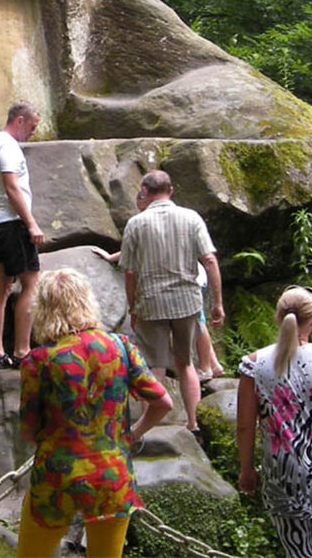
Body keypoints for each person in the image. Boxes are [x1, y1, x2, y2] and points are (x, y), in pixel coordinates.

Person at [17, 268, 173, 558]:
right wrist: (132, 434)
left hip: (56, 480)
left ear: (43, 308)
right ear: (87, 301)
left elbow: (28, 430)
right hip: (112, 476)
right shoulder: (121, 347)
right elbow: (163, 402)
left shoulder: (38, 361)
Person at [237, 285, 312, 558]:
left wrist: (247, 468)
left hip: (283, 472)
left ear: (278, 317)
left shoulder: (254, 365)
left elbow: (245, 425)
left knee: (297, 549)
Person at [119, 170, 223, 440]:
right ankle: (193, 424)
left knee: (153, 365)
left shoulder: (135, 224)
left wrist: (133, 307)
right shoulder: (191, 218)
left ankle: (149, 429)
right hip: (186, 303)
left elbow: (129, 272)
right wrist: (217, 303)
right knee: (186, 363)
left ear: (144, 191)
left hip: (150, 302)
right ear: (171, 190)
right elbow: (210, 260)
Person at [0, 101, 44, 369]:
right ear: (19, 120)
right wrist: (31, 224)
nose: (33, 132)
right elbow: (12, 187)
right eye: (32, 126)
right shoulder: (7, 146)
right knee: (31, 284)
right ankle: (22, 351)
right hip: (12, 224)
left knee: (1, 288)